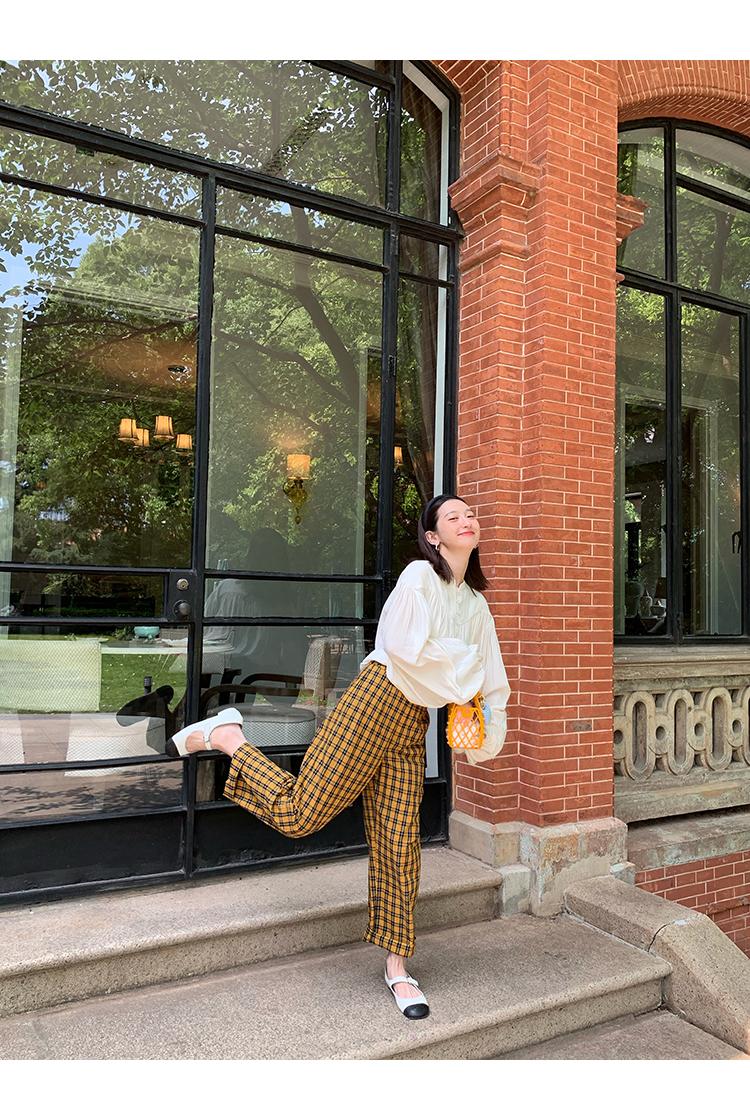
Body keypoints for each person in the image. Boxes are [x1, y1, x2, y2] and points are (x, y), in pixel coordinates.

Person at [170, 494, 510, 1020]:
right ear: (433, 536)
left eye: (471, 514)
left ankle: (398, 967)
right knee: (300, 814)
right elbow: (405, 649)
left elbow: (491, 679)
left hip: (412, 722)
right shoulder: (419, 577)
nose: (467, 520)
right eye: (453, 516)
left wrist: (487, 727)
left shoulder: (476, 606)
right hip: (374, 701)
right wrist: (463, 672)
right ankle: (230, 737)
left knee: (400, 845)